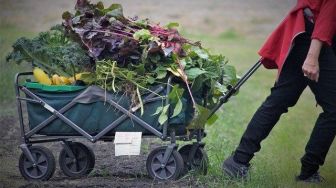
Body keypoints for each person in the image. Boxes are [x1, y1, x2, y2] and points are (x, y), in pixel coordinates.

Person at [223, 0, 336, 183]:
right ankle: (308, 172)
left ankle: (238, 161)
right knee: (332, 109)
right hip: (314, 38)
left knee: (279, 100)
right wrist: (312, 57)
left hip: (309, 36)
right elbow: (329, 12)